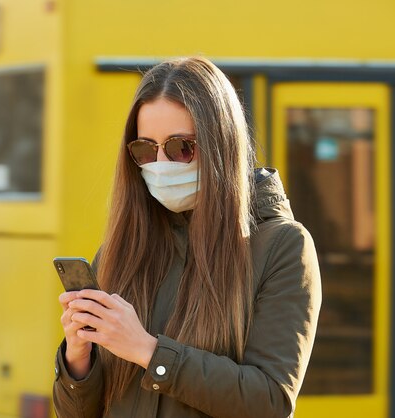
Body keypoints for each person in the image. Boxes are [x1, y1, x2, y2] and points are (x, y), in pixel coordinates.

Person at [53, 57, 321, 418]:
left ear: (221, 146)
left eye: (181, 147)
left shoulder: (282, 247)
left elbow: (269, 402)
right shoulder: (123, 249)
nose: (161, 164)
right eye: (145, 150)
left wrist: (147, 350)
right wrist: (77, 358)